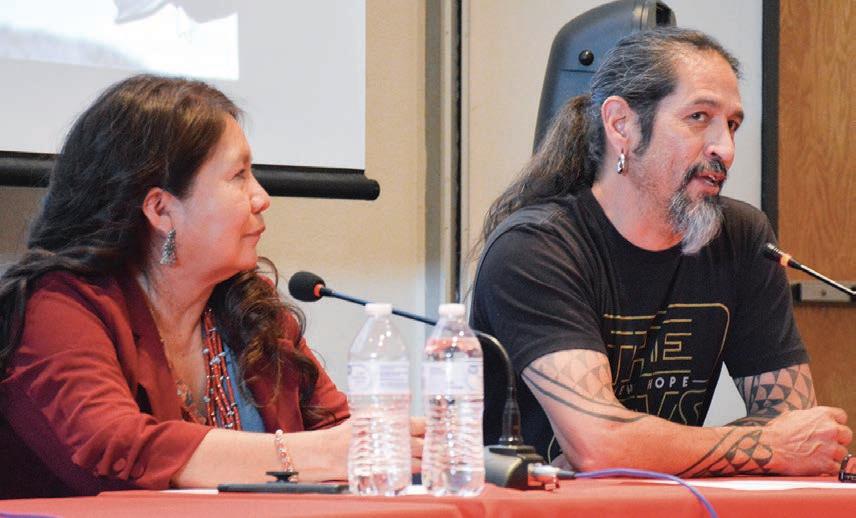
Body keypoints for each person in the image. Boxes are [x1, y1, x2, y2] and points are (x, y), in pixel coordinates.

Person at [0, 75, 423, 497]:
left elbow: (337, 432)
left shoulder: (250, 308)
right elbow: (116, 447)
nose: (262, 197)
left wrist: (404, 446)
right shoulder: (58, 307)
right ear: (161, 210)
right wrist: (307, 455)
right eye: (239, 176)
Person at [470, 27, 851, 477]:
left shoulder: (742, 237)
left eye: (732, 124)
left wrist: (643, 448)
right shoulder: (535, 249)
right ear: (622, 125)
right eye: (699, 117)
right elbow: (602, 448)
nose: (725, 149)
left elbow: (796, 425)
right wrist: (767, 445)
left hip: (677, 502)